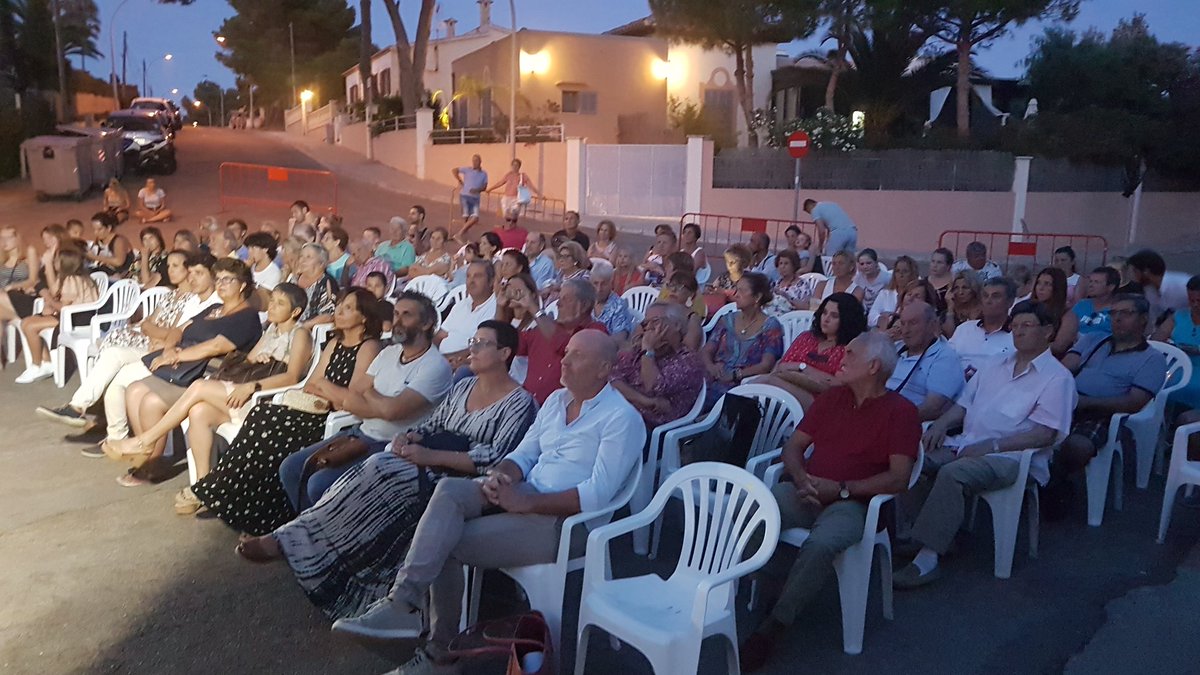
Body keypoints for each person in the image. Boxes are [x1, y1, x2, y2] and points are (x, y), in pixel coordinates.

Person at [329, 330, 646, 675]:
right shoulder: (557, 401)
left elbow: (596, 495)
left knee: (446, 544)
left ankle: (439, 657)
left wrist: (525, 502)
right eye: (566, 352)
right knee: (450, 489)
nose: (565, 360)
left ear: (603, 369)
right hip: (523, 496)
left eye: (577, 356)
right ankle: (401, 604)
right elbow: (523, 454)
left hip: (564, 524)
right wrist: (502, 476)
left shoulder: (621, 419)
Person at [236, 321, 538, 618]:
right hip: (424, 459)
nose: (472, 348)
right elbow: (434, 423)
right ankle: (297, 543)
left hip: (459, 478)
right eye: (472, 341)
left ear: (504, 353)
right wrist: (409, 436)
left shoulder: (519, 402)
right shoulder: (465, 386)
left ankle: (299, 547)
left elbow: (495, 458)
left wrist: (429, 455)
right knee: (367, 473)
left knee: (380, 476)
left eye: (482, 343)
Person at [738, 331, 920, 672]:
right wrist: (801, 477)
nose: (841, 359)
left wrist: (843, 489)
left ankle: (774, 625)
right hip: (808, 489)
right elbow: (793, 447)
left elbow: (899, 478)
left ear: (873, 366)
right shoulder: (832, 399)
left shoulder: (901, 412)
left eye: (850, 355)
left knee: (822, 543)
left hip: (855, 503)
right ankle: (765, 584)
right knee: (756, 510)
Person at [894, 300, 1076, 589]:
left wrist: (990, 446)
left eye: (1027, 326)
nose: (1018, 332)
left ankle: (927, 560)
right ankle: (933, 534)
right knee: (909, 458)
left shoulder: (1057, 378)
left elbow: (1044, 435)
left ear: (1048, 331)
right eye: (1015, 326)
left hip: (1012, 458)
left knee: (953, 473)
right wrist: (940, 425)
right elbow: (963, 405)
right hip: (967, 443)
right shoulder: (995, 365)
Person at [191, 289, 383, 529]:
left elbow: (350, 397)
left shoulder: (369, 347)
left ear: (364, 317)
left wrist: (324, 387)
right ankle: (231, 495)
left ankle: (241, 501)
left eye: (348, 308)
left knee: (266, 422)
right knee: (260, 415)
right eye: (339, 306)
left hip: (334, 419)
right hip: (314, 409)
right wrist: (325, 388)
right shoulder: (335, 343)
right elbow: (312, 383)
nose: (339, 312)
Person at [107, 284, 314, 489]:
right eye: (272, 301)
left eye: (280, 303)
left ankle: (146, 441)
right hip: (247, 390)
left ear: (295, 311)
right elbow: (248, 362)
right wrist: (259, 358)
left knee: (198, 387)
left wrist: (252, 386)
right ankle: (203, 486)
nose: (272, 307)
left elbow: (292, 376)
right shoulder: (271, 329)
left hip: (266, 399)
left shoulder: (300, 335)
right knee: (199, 411)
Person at [278, 292, 453, 509]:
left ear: (427, 323)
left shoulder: (434, 366)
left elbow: (392, 411)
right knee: (291, 468)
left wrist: (370, 394)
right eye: (396, 313)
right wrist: (377, 402)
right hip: (360, 433)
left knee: (319, 484)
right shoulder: (388, 353)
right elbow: (354, 397)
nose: (398, 321)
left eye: (407, 315)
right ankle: (306, 527)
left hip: (394, 446)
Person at [101, 259, 263, 484]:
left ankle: (149, 459)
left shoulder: (246, 316)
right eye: (219, 279)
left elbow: (217, 346)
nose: (221, 284)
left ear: (243, 285)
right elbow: (179, 329)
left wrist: (177, 356)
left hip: (208, 374)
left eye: (228, 280)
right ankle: (147, 457)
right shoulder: (214, 309)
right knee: (134, 390)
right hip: (183, 367)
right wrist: (168, 349)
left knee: (150, 401)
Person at [38, 254, 219, 448]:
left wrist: (163, 340)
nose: (191, 277)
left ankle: (102, 423)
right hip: (158, 348)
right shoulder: (184, 298)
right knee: (113, 358)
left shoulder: (209, 302)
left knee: (116, 365)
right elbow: (162, 327)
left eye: (196, 273)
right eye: (190, 272)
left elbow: (175, 332)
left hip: (177, 359)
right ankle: (97, 421)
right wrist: (161, 337)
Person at [1043, 294, 1165, 519]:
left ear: (1143, 319)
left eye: (1125, 313)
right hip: (1067, 402)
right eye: (1113, 313)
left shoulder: (1152, 359)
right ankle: (1038, 481)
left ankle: (1053, 485)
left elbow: (1134, 402)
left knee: (1077, 446)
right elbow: (1062, 371)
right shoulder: (1093, 340)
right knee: (1021, 426)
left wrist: (1086, 403)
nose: (1117, 319)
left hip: (1104, 414)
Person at [752, 292, 866, 409]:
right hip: (789, 388)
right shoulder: (807, 337)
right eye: (824, 313)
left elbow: (838, 384)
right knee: (761, 386)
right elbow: (783, 366)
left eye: (834, 316)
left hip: (823, 401)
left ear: (847, 320)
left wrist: (802, 367)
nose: (826, 319)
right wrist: (809, 373)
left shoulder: (849, 348)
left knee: (766, 382)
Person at [510, 277, 605, 403]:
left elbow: (565, 347)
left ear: (584, 305)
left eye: (566, 299)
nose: (558, 304)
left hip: (560, 412)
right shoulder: (543, 329)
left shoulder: (595, 332)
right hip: (526, 405)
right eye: (559, 298)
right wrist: (501, 307)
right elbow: (507, 344)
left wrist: (534, 309)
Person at [610, 302, 705, 426]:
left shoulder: (688, 361)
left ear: (676, 325)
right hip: (621, 415)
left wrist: (648, 351)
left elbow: (653, 387)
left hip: (651, 427)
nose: (648, 327)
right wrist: (645, 401)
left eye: (655, 321)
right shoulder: (638, 351)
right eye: (645, 323)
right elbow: (612, 379)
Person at [14, 248, 100, 383]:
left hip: (78, 319)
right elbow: (56, 293)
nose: (54, 262)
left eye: (56, 261)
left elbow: (63, 306)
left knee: (30, 326)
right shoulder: (68, 277)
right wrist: (50, 301)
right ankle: (46, 362)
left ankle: (37, 365)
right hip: (69, 315)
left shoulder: (73, 280)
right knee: (26, 322)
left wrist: (47, 298)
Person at [702, 272, 785, 407]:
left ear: (757, 297)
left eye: (742, 290)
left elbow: (766, 365)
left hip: (744, 386)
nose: (735, 294)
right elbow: (707, 349)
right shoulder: (727, 319)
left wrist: (736, 375)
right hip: (714, 376)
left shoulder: (770, 326)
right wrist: (710, 366)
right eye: (736, 289)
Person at [887, 302, 966, 420]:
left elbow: (933, 408)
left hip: (907, 423)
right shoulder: (895, 348)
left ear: (932, 325)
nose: (906, 330)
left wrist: (891, 419)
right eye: (903, 324)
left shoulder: (944, 357)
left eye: (913, 323)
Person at [436, 261, 497, 368]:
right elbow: (440, 335)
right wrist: (430, 354)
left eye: (477, 276)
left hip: (464, 364)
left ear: (491, 281)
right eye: (468, 276)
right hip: (442, 360)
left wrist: (448, 358)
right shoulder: (461, 305)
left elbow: (481, 345)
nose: (471, 281)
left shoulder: (495, 307)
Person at [949, 277, 1015, 377]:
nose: (988, 301)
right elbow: (946, 359)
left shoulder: (1017, 334)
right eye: (985, 296)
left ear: (1010, 302)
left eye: (995, 296)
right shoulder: (964, 329)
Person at [1153, 275, 1200, 409]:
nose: (1195, 305)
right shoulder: (1180, 316)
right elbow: (1157, 340)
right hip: (1176, 368)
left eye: (1199, 301)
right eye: (1192, 301)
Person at [1127, 249, 1190, 326]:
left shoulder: (1183, 285)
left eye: (1135, 271)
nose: (1132, 276)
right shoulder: (1149, 290)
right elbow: (1154, 318)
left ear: (1146, 272)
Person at [0, 226, 42, 333]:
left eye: (8, 238)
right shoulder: (1, 256)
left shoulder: (28, 252)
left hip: (20, 296)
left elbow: (33, 279)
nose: (4, 241)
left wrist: (12, 287)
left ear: (17, 238)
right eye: (2, 238)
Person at [1032, 267, 1079, 358]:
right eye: (1039, 283)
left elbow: (1059, 346)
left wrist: (1029, 347)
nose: (1041, 288)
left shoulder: (1068, 315)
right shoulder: (1028, 308)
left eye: (1047, 284)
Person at [288, 243, 338, 328]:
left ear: (322, 263)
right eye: (301, 256)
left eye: (308, 257)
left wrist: (302, 327)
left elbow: (329, 315)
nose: (302, 260)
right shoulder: (294, 278)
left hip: (309, 331)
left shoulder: (327, 282)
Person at [589, 258, 635, 346]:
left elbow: (620, 337)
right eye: (595, 283)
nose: (599, 289)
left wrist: (596, 346)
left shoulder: (619, 306)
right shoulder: (586, 302)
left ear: (611, 283)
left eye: (604, 284)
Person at [659, 271, 706, 351]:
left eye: (679, 286)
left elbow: (690, 348)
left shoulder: (693, 318)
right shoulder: (659, 310)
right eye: (670, 285)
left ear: (691, 294)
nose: (673, 290)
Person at [869, 255, 917, 329]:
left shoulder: (916, 295)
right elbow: (871, 318)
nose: (901, 275)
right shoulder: (885, 294)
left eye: (905, 271)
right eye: (898, 271)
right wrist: (887, 318)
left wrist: (889, 315)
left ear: (912, 273)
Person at [84, 211, 134, 278]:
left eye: (99, 229)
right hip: (105, 270)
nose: (95, 233)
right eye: (94, 229)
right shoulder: (99, 239)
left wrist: (94, 257)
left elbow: (119, 262)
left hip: (121, 274)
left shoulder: (119, 241)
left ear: (109, 228)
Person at [1073, 267, 1120, 336]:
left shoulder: (1118, 311)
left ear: (1111, 287)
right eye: (1090, 281)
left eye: (1096, 282)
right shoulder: (1081, 305)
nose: (1091, 285)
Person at [452, 154, 488, 240]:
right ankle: (463, 235)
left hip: (475, 198)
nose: (475, 162)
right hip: (464, 196)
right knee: (466, 216)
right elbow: (454, 170)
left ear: (480, 162)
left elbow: (485, 186)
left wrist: (477, 190)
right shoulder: (467, 169)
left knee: (475, 218)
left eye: (476, 161)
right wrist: (460, 180)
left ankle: (460, 234)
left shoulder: (484, 174)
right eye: (473, 161)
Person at [941, 270, 983, 338]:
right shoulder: (948, 313)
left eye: (965, 287)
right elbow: (950, 335)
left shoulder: (984, 311)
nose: (960, 292)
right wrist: (950, 309)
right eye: (956, 288)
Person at [854, 248, 892, 313]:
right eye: (862, 264)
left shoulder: (887, 278)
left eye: (868, 263)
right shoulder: (858, 278)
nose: (865, 266)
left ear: (876, 263)